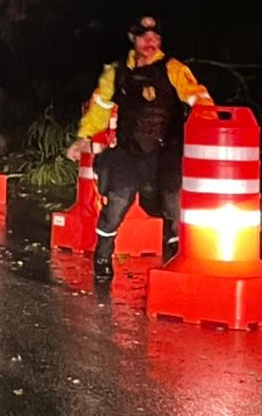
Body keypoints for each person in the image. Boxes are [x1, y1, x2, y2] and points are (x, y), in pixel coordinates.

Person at [65, 15, 213, 280]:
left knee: (174, 202)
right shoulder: (117, 71)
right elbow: (100, 106)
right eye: (144, 37)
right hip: (130, 150)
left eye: (155, 37)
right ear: (133, 38)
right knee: (117, 203)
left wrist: (211, 122)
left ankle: (176, 259)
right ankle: (102, 256)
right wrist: (83, 137)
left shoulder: (173, 68)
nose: (150, 42)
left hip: (166, 149)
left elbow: (198, 97)